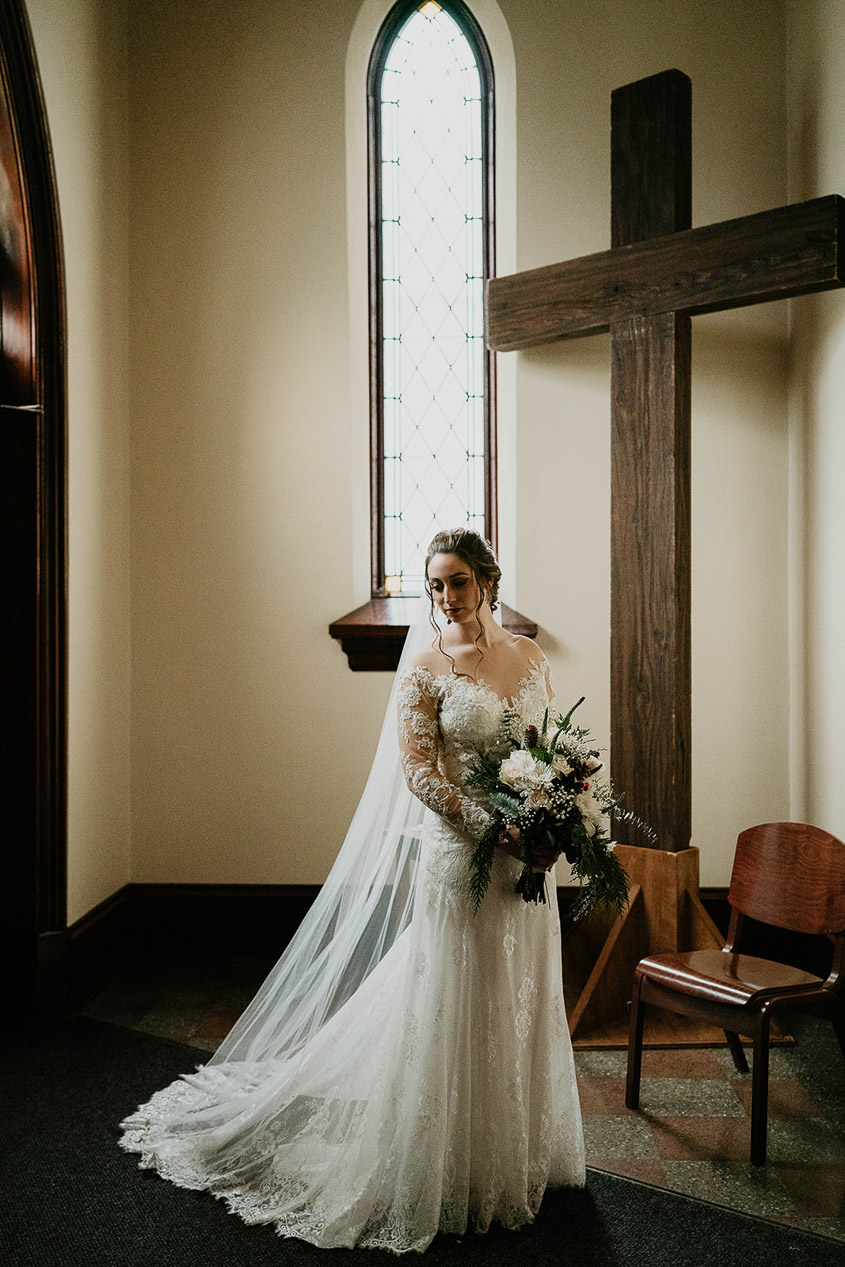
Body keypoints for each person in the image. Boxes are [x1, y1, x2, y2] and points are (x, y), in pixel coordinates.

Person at [119, 528, 585, 1253]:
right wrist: (493, 825)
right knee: (456, 997)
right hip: (460, 856)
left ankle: (512, 1153)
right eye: (435, 584)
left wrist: (553, 818)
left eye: (457, 580)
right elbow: (420, 772)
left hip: (525, 865)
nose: (445, 596)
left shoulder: (527, 657)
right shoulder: (425, 667)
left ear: (487, 580)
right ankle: (447, 1159)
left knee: (516, 993)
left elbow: (545, 748)